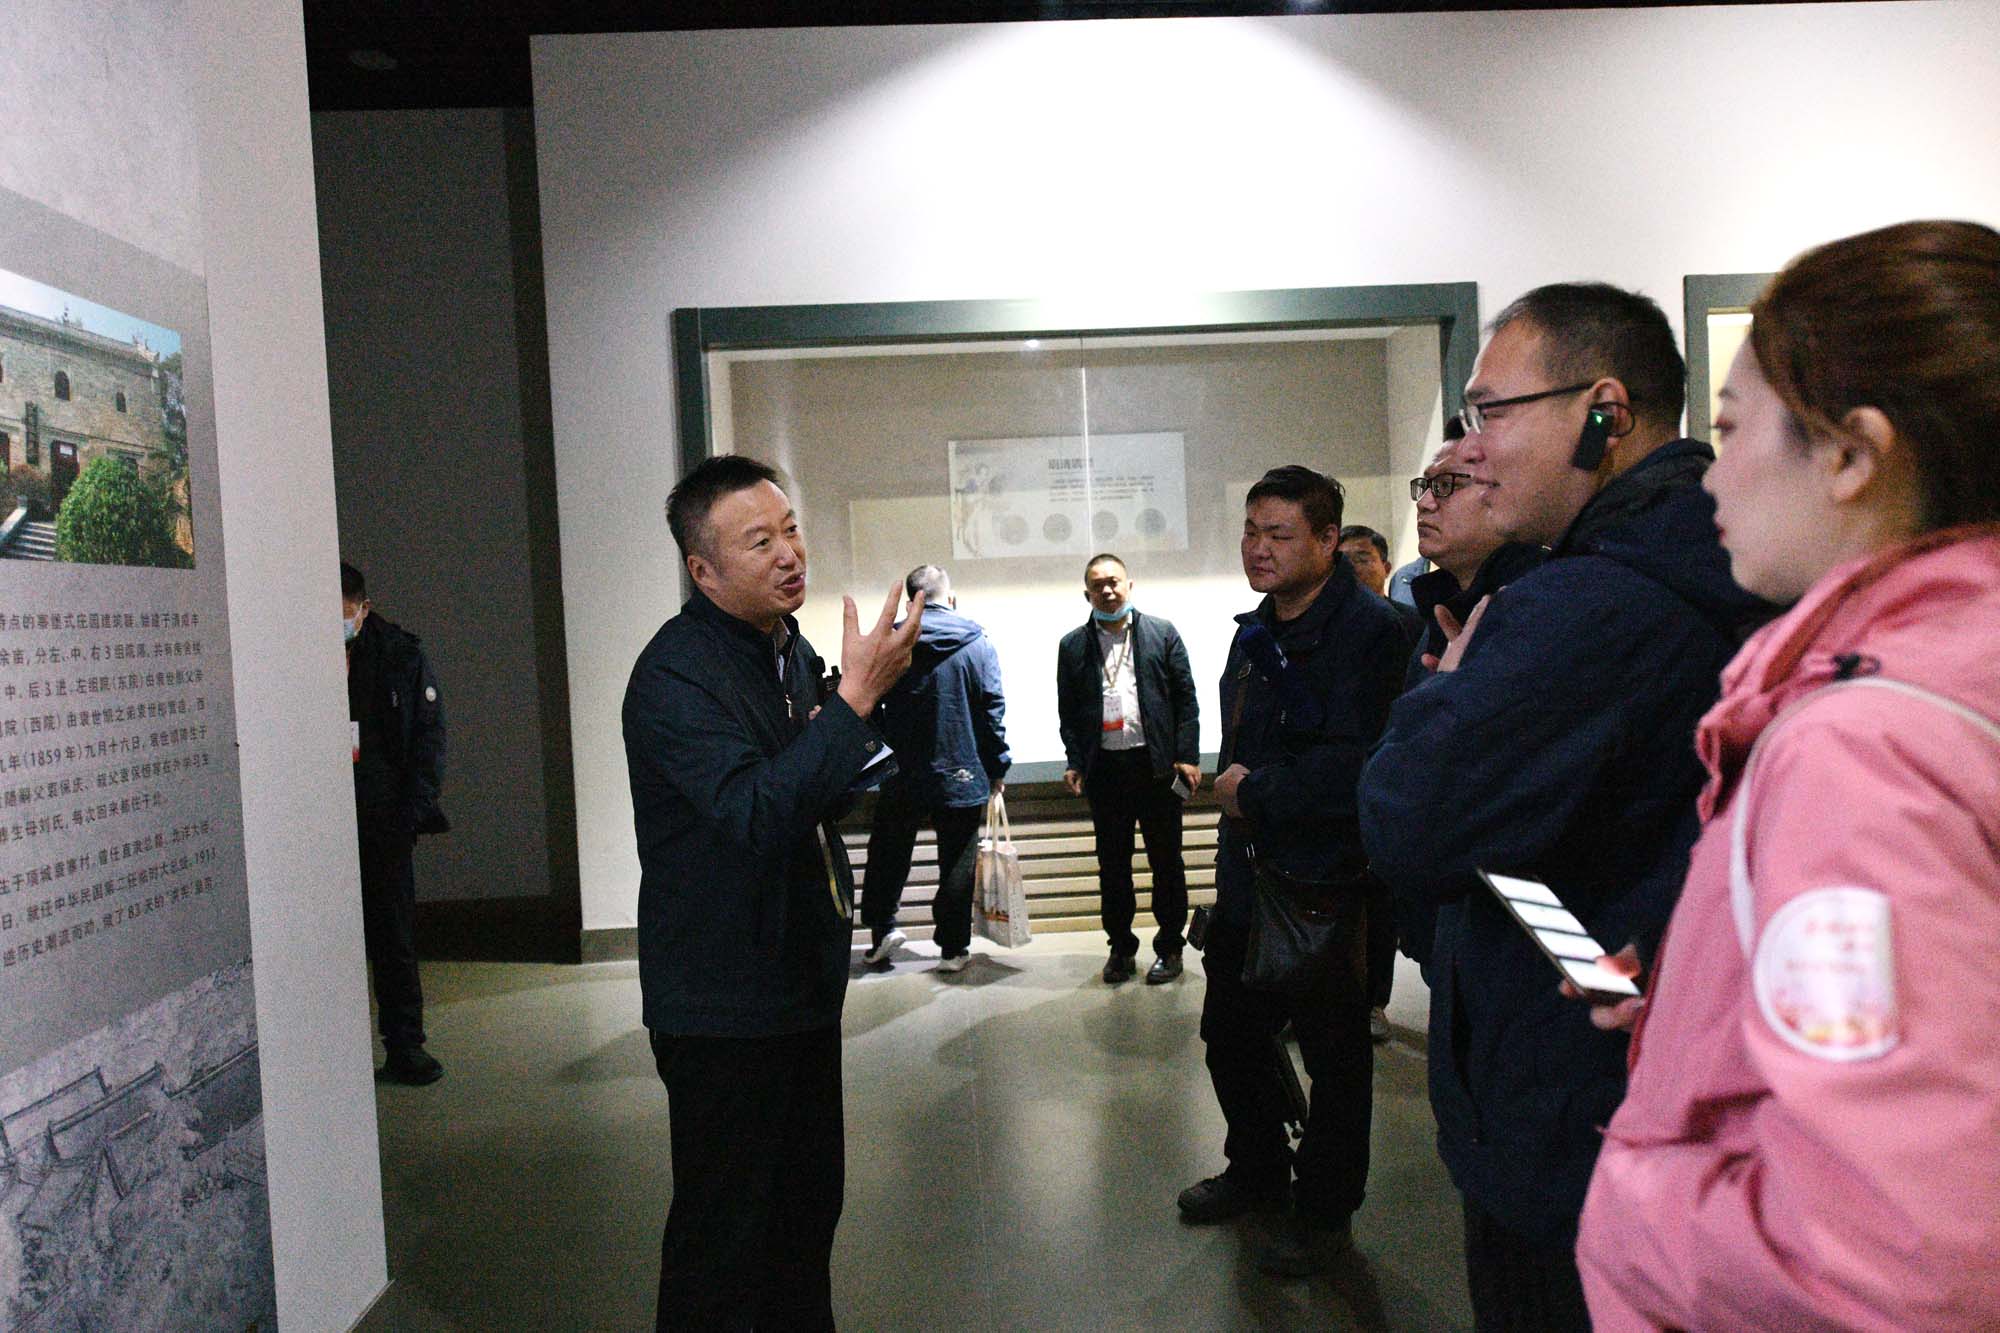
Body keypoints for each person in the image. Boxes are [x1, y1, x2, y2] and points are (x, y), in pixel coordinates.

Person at [1576, 221, 2000, 1331]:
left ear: (1852, 455)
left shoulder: (1862, 749)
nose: (1710, 475)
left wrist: (1631, 1202)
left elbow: (1891, 1253)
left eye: (1727, 429)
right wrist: (1702, 989)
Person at [1357, 283, 1768, 1330]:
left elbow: (1406, 821)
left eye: (1491, 412)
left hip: (1570, 1114)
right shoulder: (1714, 564)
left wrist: (1442, 695)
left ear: (1604, 412)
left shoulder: (1584, 604)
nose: (1470, 448)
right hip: (1653, 1072)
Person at [622, 454, 922, 1330]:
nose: (790, 552)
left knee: (803, 1217)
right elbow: (755, 812)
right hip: (721, 999)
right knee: (724, 1242)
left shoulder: (786, 648)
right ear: (703, 570)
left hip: (796, 980)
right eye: (760, 542)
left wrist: (859, 712)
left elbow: (815, 788)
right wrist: (852, 704)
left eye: (791, 529)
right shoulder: (674, 676)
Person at [1177, 465, 1407, 1278]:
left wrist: (1257, 792)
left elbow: (1366, 765)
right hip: (1250, 873)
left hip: (1326, 879)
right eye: (1251, 531)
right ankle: (1257, 1168)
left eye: (1279, 534)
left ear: (1327, 539)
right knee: (1230, 1035)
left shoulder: (1374, 634)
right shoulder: (1255, 631)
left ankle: (1324, 1211)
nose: (1259, 548)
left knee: (1334, 1055)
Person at [1055, 553, 1201, 984]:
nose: (1107, 590)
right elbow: (1069, 712)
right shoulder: (1072, 645)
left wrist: (1188, 755)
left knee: (1167, 862)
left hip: (1157, 768)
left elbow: (1186, 700)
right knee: (1113, 866)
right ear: (1087, 594)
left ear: (1129, 585)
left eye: (1114, 581)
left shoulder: (1161, 633)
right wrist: (1075, 760)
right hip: (1105, 770)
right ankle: (1120, 948)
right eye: (1098, 585)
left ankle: (1170, 948)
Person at [860, 564, 1009, 973]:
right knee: (957, 860)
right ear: (952, 599)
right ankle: (952, 948)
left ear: (912, 602)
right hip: (962, 766)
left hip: (901, 769)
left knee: (888, 850)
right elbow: (991, 709)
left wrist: (879, 755)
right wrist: (997, 765)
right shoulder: (977, 643)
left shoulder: (891, 642)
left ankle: (883, 929)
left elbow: (867, 704)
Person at [343, 560, 448, 1087]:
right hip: (319, 823)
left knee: (393, 937)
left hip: (383, 818)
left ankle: (405, 1046)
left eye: (345, 614)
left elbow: (429, 738)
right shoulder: (293, 655)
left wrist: (412, 813)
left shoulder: (398, 655)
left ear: (365, 609)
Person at [1339, 523, 1423, 649]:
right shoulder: (1321, 621)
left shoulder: (1413, 622)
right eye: (1343, 562)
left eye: (1362, 560)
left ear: (1386, 568)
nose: (1352, 568)